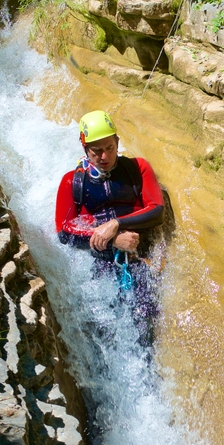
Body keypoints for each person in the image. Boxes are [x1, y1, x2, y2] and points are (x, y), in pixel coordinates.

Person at [55, 110, 166, 344]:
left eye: (110, 148)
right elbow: (64, 232)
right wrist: (112, 240)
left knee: (146, 317)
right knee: (105, 327)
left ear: (117, 142)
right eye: (96, 151)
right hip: (101, 261)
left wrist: (116, 224)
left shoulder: (138, 168)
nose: (104, 156)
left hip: (140, 255)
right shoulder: (72, 182)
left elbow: (157, 210)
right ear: (84, 148)